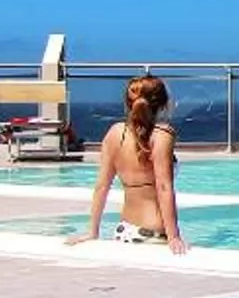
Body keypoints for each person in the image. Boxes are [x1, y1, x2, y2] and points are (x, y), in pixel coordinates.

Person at [70, 74, 189, 254]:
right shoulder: (162, 135)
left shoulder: (114, 133)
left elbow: (101, 187)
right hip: (154, 234)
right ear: (164, 104)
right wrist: (173, 236)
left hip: (124, 231)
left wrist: (92, 231)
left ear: (128, 103)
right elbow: (164, 187)